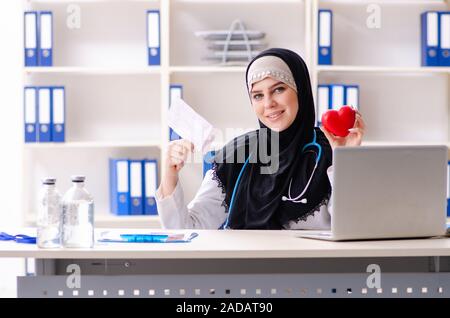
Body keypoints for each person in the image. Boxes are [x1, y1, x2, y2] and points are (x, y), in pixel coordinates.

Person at [156, 48, 366, 230]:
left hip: (315, 271)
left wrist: (346, 159)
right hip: (247, 269)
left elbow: (352, 228)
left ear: (300, 91)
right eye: (257, 95)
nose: (268, 104)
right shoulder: (239, 154)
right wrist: (169, 175)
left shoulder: (329, 148)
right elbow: (187, 228)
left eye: (279, 89)